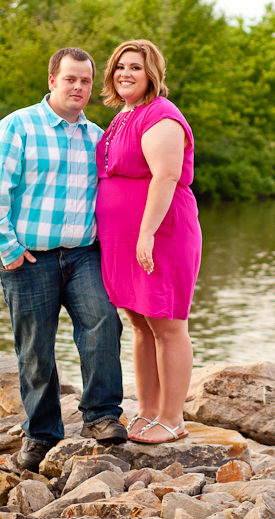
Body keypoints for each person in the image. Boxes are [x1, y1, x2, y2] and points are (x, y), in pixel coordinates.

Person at [0, 47, 127, 472]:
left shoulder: (97, 137)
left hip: (84, 254)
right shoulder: (17, 128)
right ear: (52, 81)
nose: (78, 87)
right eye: (70, 79)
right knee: (35, 348)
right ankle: (42, 433)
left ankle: (101, 416)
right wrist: (7, 249)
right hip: (28, 258)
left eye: (86, 81)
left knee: (103, 323)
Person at [95, 39, 202, 444]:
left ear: (152, 73)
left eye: (135, 67)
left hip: (160, 233)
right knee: (141, 324)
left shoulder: (161, 114)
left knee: (167, 324)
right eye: (120, 67)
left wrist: (146, 233)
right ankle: (148, 411)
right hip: (123, 237)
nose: (126, 73)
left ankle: (172, 419)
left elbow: (166, 175)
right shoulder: (124, 115)